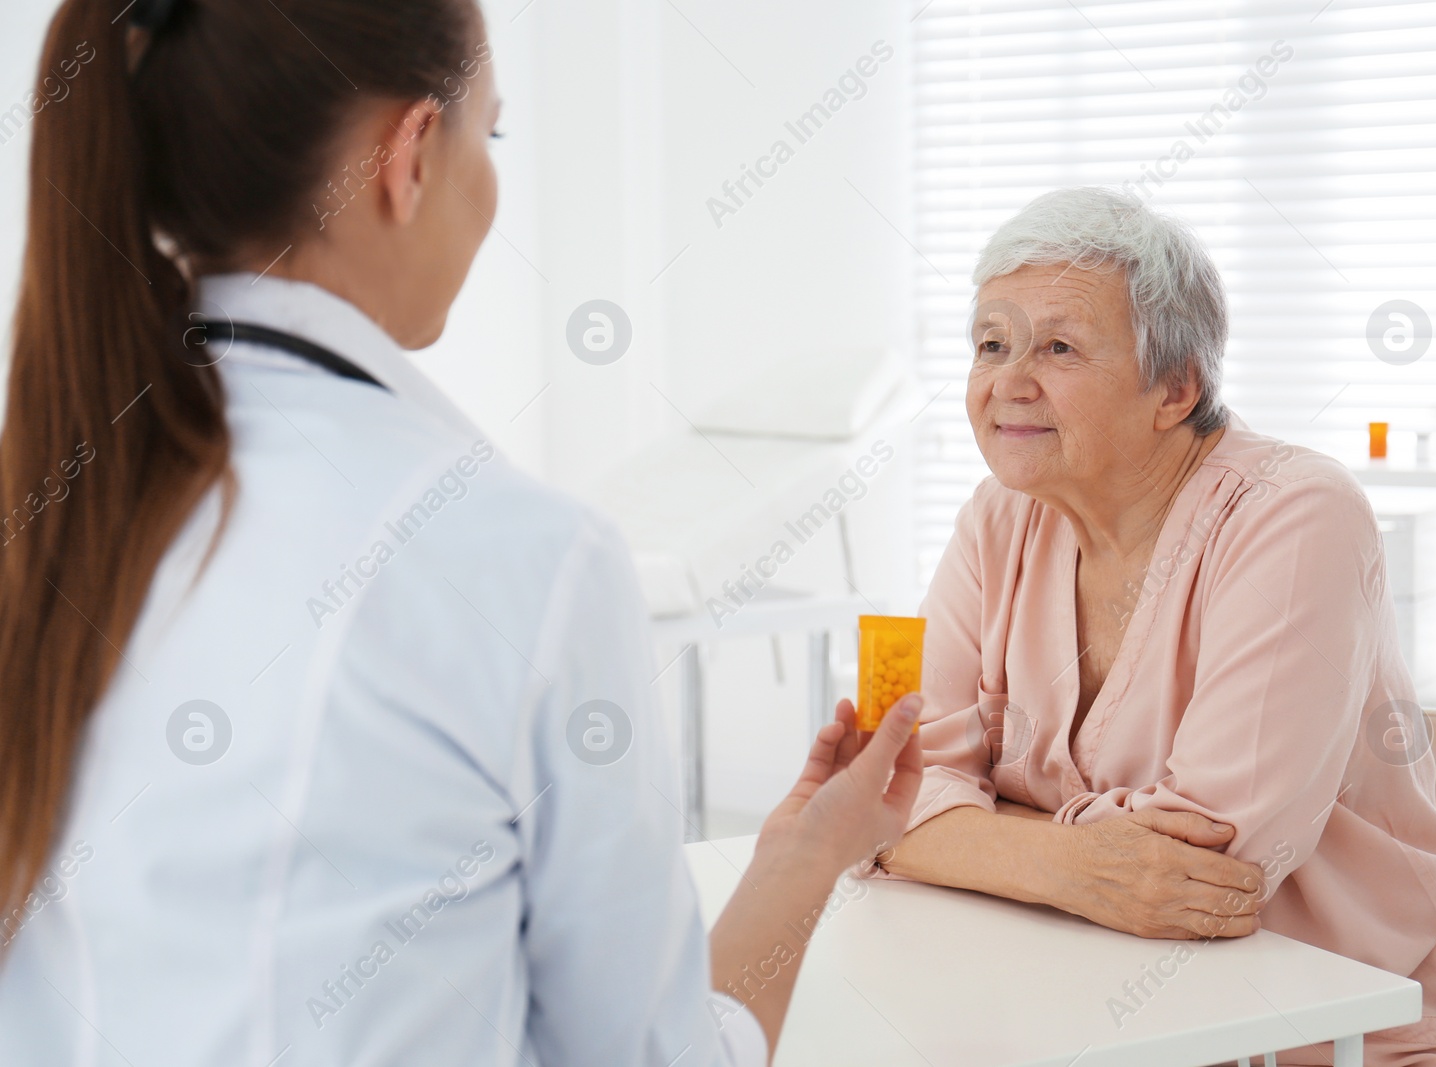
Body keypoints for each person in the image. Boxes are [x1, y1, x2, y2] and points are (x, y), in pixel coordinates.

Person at [0, 2, 926, 1064]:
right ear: (409, 155)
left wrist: (803, 846)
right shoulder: (523, 559)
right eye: (490, 135)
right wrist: (813, 865)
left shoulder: (48, 497)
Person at [874, 187, 1436, 1066]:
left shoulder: (1296, 514)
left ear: (1175, 387)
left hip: (1355, 1026)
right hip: (1098, 1007)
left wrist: (974, 838)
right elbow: (891, 787)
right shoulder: (997, 520)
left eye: (1059, 347)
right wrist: (1076, 865)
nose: (1007, 381)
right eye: (991, 344)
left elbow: (1211, 863)